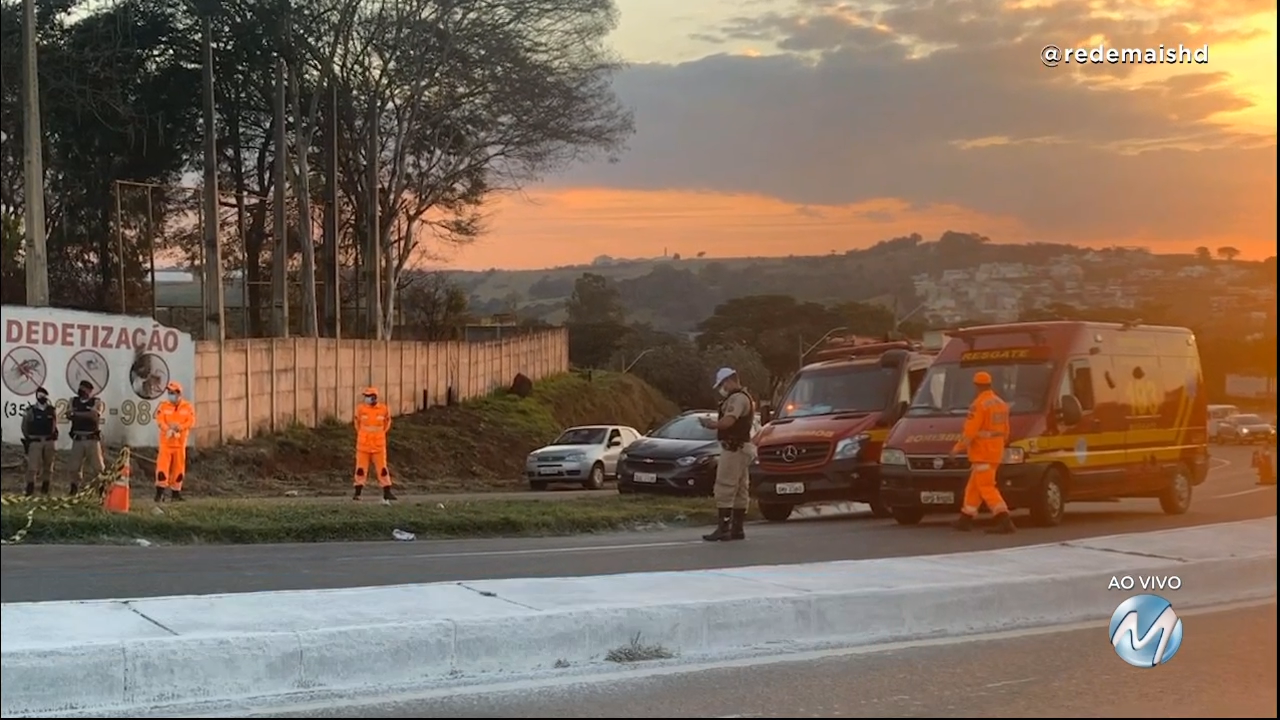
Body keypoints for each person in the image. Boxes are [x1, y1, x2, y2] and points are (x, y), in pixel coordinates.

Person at [949, 370, 1016, 534]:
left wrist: (957, 448)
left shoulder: (978, 405)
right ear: (989, 384)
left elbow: (970, 431)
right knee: (974, 487)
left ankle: (1004, 519)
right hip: (995, 452)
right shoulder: (1000, 403)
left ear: (976, 386)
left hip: (982, 453)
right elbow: (1006, 431)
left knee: (986, 487)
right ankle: (966, 518)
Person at [698, 368, 756, 542]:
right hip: (743, 447)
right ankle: (737, 529)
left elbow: (729, 421)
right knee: (740, 488)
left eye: (722, 384)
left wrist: (711, 424)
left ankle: (723, 529)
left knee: (725, 486)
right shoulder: (746, 397)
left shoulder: (737, 399)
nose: (722, 388)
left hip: (734, 448)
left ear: (730, 381)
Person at [154, 380, 196, 502]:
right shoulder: (163, 406)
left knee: (178, 470)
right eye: (169, 392)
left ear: (179, 394)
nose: (170, 395)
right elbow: (160, 420)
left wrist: (179, 427)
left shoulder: (187, 407)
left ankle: (176, 494)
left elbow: (191, 421)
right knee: (162, 469)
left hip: (180, 444)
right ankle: (159, 494)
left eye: (173, 392)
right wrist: (168, 429)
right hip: (166, 444)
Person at [353, 386, 397, 503]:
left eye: (368, 396)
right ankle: (357, 493)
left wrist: (379, 434)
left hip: (378, 446)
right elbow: (357, 423)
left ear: (374, 397)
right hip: (363, 445)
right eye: (366, 396)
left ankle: (387, 492)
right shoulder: (361, 409)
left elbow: (387, 423)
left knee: (382, 469)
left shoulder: (383, 409)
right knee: (360, 469)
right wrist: (364, 434)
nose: (366, 399)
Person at [65, 380, 106, 497]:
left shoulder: (96, 402)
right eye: (80, 388)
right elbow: (68, 414)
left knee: (98, 467)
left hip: (91, 439)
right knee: (74, 467)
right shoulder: (73, 401)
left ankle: (101, 489)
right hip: (77, 438)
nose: (81, 391)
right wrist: (83, 414)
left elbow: (94, 416)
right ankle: (74, 488)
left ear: (90, 391)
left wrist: (77, 414)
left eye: (84, 389)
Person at [20, 386, 59, 497]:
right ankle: (30, 488)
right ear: (37, 396)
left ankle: (45, 488)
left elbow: (55, 425)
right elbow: (24, 427)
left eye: (44, 395)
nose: (42, 397)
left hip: (49, 441)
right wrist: (30, 438)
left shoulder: (52, 410)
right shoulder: (30, 410)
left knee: (48, 465)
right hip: (35, 442)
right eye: (40, 395)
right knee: (32, 467)